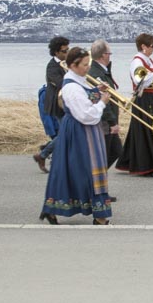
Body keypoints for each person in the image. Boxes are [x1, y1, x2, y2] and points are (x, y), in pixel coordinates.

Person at [40, 47, 113, 225]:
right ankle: (99, 215)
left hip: (85, 130)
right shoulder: (71, 87)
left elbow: (85, 99)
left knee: (73, 171)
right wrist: (102, 102)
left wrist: (95, 90)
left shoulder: (77, 81)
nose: (88, 68)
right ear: (73, 65)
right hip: (80, 131)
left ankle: (94, 214)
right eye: (85, 65)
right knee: (83, 171)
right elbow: (86, 114)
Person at [115, 32, 153, 177]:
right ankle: (149, 164)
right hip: (145, 99)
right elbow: (139, 80)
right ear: (143, 47)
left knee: (143, 130)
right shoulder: (137, 62)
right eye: (151, 46)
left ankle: (131, 161)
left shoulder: (149, 61)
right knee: (149, 130)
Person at [35, 36, 69, 173]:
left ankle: (46, 151)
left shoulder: (67, 64)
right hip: (57, 104)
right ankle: (44, 154)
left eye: (68, 50)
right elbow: (62, 83)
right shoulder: (52, 67)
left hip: (66, 103)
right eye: (64, 51)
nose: (67, 53)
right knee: (65, 133)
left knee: (65, 133)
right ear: (56, 52)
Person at [88, 39, 123, 168]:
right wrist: (112, 122)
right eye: (109, 53)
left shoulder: (103, 71)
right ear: (103, 55)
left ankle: (97, 178)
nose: (110, 56)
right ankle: (93, 179)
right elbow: (102, 99)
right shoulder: (96, 74)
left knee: (117, 151)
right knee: (104, 155)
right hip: (104, 123)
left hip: (108, 120)